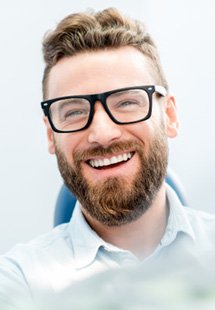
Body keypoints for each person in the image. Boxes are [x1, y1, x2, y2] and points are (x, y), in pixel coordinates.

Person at [1, 7, 215, 309]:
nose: (102, 133)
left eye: (127, 102)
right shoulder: (19, 283)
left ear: (169, 115)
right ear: (51, 135)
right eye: (74, 111)